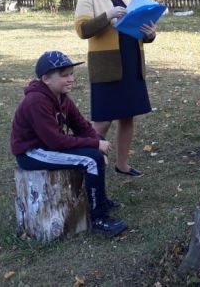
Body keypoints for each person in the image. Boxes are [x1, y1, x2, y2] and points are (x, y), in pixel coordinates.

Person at [10, 51, 128, 237]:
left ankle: (101, 202)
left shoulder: (62, 98)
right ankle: (99, 219)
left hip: (48, 147)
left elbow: (81, 126)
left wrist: (98, 141)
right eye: (64, 75)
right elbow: (56, 141)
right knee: (92, 159)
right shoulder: (36, 101)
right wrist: (95, 146)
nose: (71, 79)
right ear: (46, 79)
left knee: (97, 148)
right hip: (32, 152)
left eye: (72, 73)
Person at [75, 0, 156, 177]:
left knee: (128, 117)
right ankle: (85, 165)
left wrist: (150, 34)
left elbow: (140, 32)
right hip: (107, 68)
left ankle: (122, 164)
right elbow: (83, 30)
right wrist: (107, 15)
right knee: (102, 122)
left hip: (132, 65)